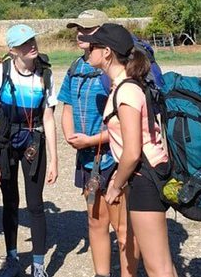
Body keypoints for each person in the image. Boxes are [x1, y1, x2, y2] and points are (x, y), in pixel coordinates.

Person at [81, 23, 177, 277]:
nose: (87, 51)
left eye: (92, 47)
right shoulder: (124, 86)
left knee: (158, 267)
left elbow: (133, 151)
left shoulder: (126, 92)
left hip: (145, 178)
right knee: (161, 264)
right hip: (143, 176)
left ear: (107, 52)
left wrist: (115, 185)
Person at [58, 19, 137, 277]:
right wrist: (69, 134)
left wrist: (91, 141)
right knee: (95, 220)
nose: (81, 34)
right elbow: (67, 104)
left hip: (113, 157)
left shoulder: (116, 74)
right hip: (87, 158)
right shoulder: (75, 67)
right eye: (78, 29)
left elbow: (125, 130)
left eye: (88, 30)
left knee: (122, 227)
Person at [0, 24, 58, 277]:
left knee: (35, 205)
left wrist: (55, 160)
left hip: (34, 140)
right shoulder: (0, 73)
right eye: (25, 43)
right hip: (5, 140)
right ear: (13, 50)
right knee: (10, 201)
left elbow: (48, 118)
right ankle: (12, 258)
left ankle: (38, 265)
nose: (32, 45)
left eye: (33, 40)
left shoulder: (45, 74)